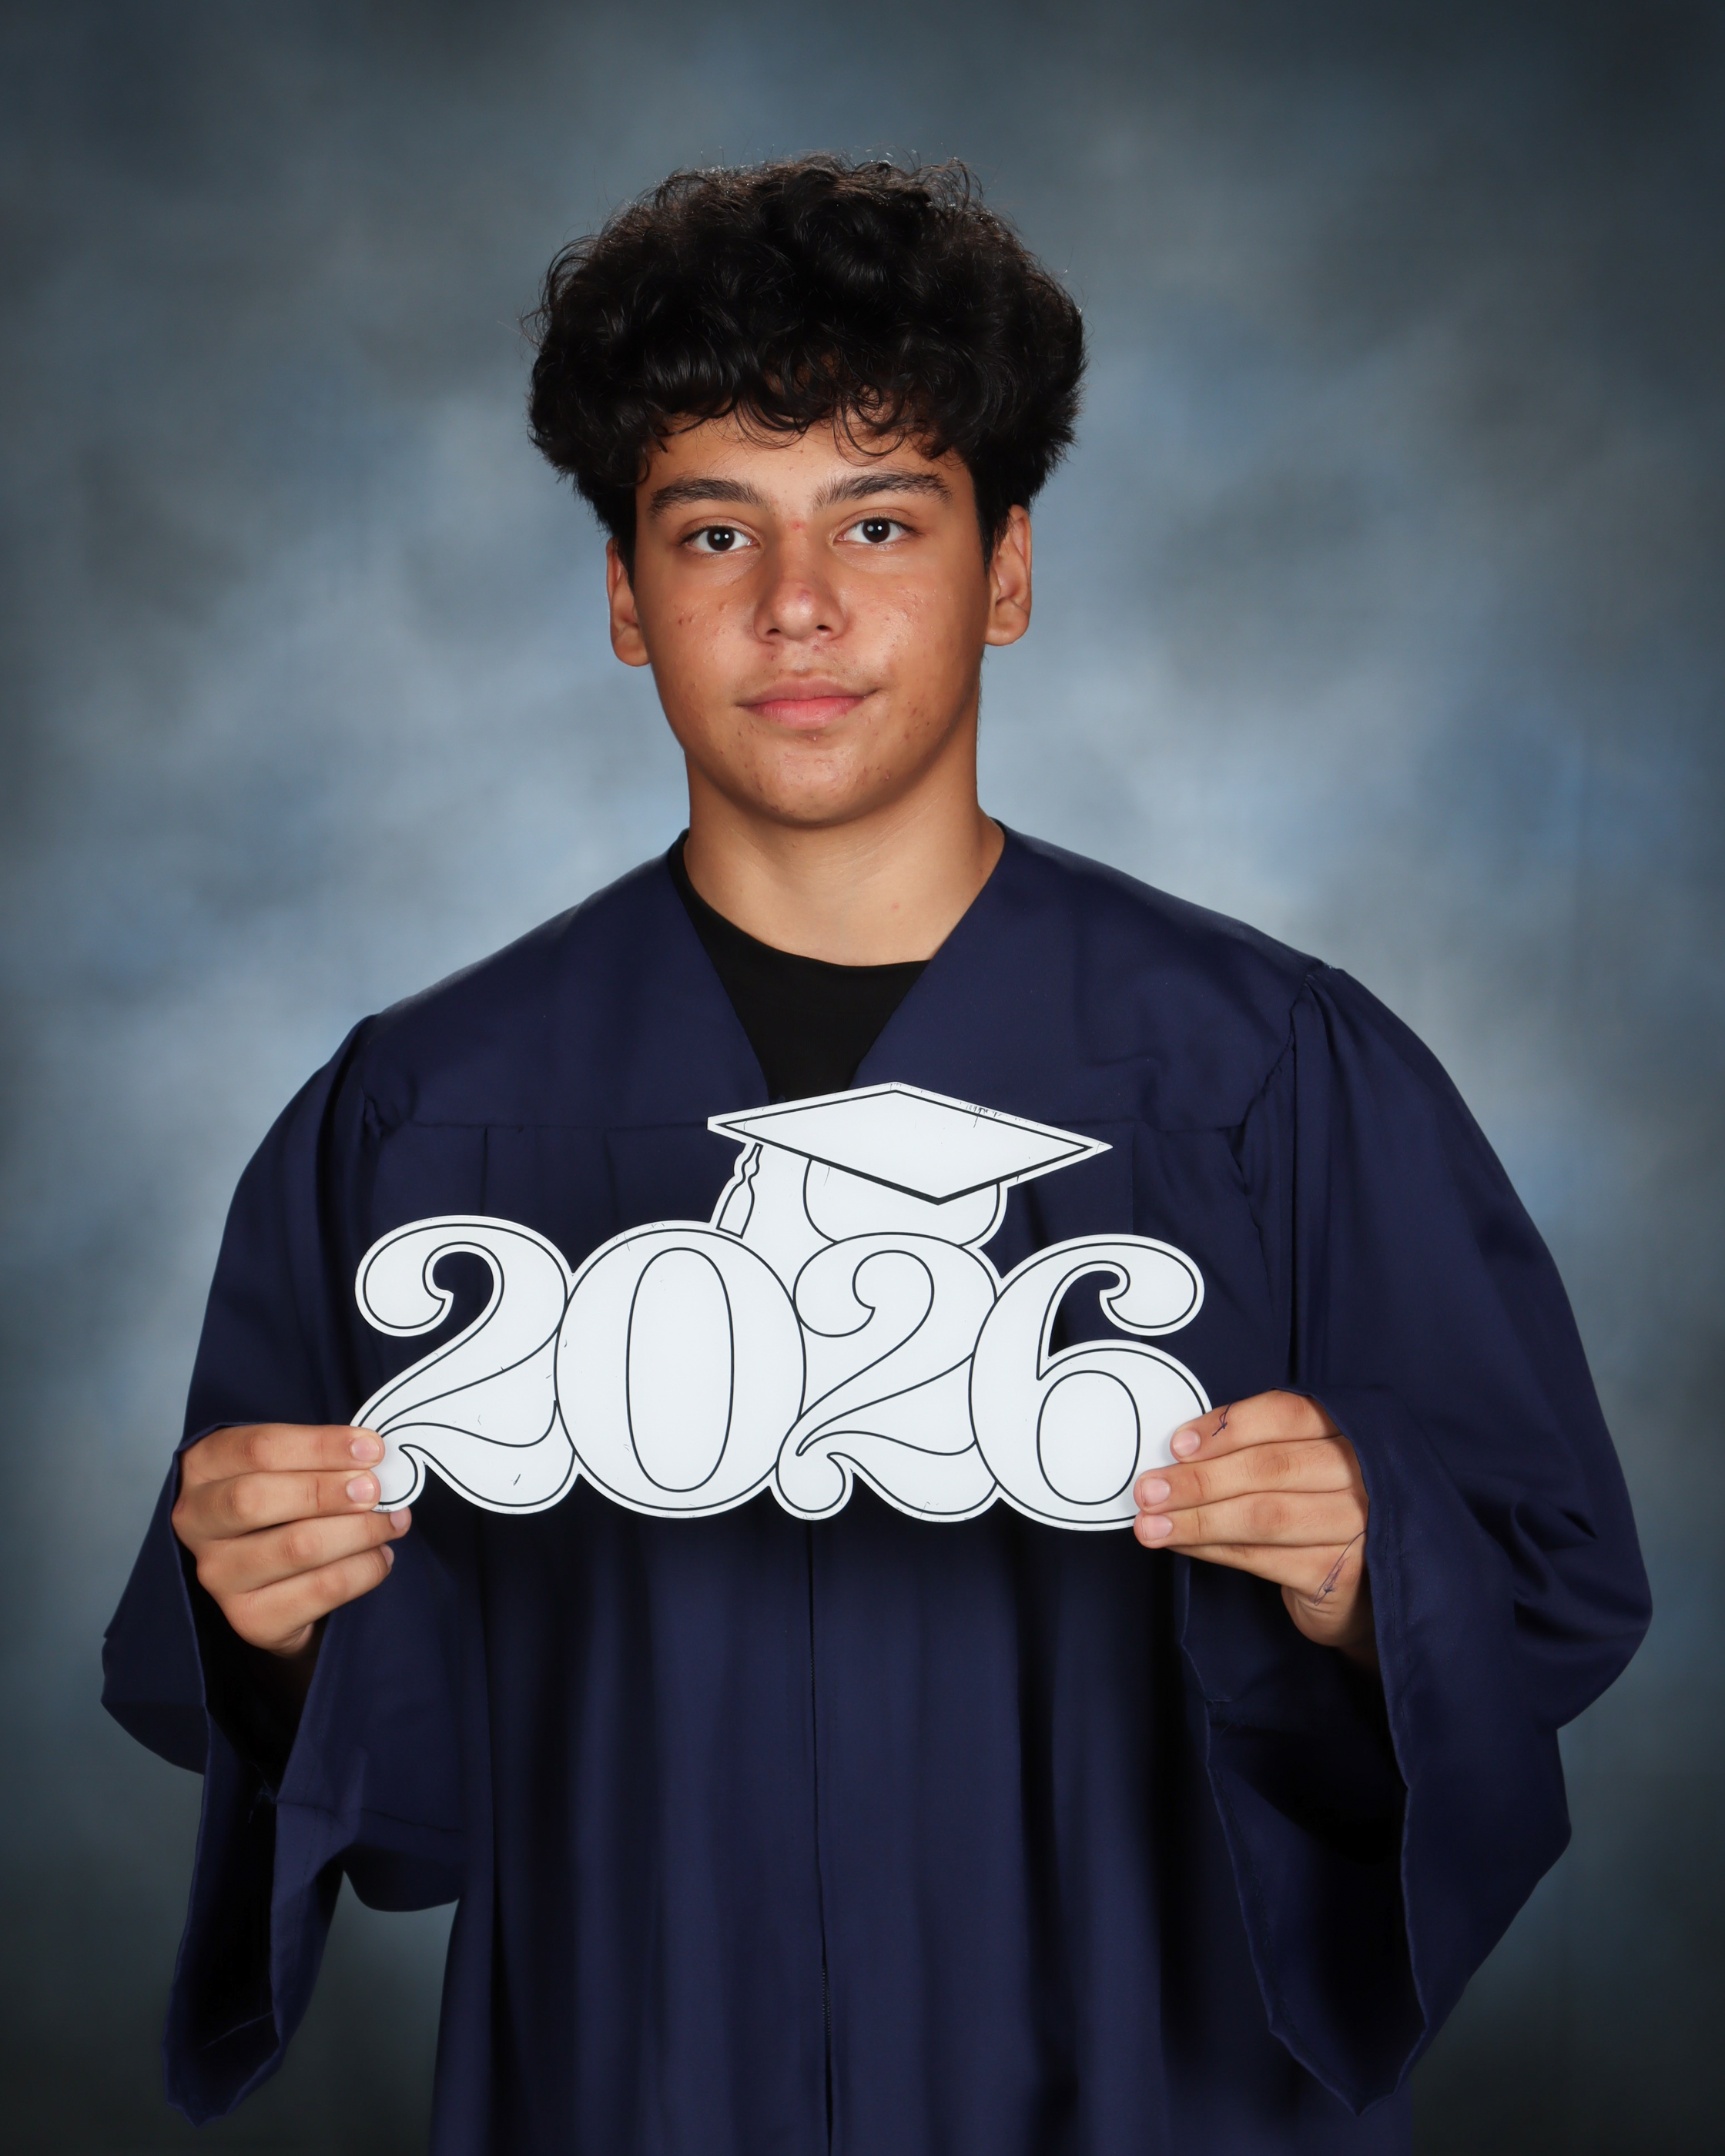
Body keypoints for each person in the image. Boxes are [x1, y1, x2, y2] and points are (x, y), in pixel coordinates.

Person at [102, 157, 1649, 2156]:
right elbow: (389, 1790)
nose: (797, 607)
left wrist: (1371, 1569)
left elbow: (1552, 1583)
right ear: (624, 597)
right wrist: (274, 1624)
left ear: (1008, 573)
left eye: (882, 520)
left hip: (1151, 2085)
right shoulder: (419, 1113)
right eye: (713, 528)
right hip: (636, 2080)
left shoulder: (1273, 1076)